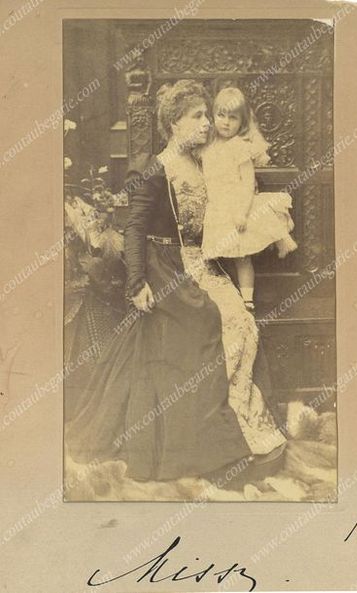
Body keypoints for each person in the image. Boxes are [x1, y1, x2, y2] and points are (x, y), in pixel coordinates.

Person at [65, 80, 287, 495]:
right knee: (206, 320)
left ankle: (243, 425)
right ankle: (205, 440)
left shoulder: (206, 161)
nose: (206, 125)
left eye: (208, 115)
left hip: (201, 261)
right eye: (197, 117)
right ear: (173, 123)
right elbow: (134, 229)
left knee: (241, 318)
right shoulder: (154, 169)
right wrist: (137, 283)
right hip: (165, 265)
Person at [201, 87, 297, 312]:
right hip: (216, 209)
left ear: (242, 122)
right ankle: (220, 294)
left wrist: (243, 212)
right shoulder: (209, 146)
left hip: (235, 207)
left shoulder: (239, 147)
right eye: (221, 116)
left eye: (233, 118)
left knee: (241, 255)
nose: (226, 123)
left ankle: (247, 299)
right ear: (213, 116)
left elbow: (246, 184)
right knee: (216, 254)